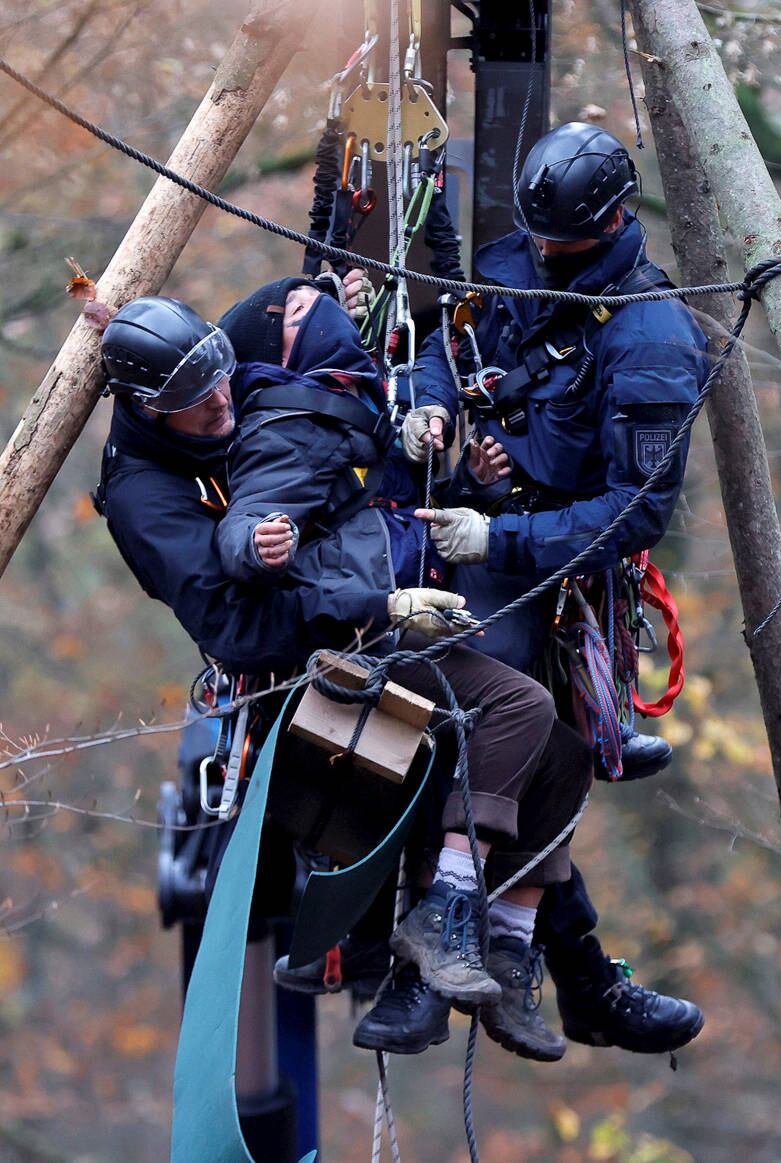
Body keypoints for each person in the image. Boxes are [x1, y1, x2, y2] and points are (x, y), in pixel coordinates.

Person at [97, 290, 594, 1063]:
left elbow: (333, 453)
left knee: (562, 754)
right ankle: (446, 916)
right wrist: (379, 602)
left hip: (364, 606)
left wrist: (434, 456)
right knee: (513, 707)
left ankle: (503, 945)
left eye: (223, 379)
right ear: (150, 409)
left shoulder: (239, 394)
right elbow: (236, 628)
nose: (222, 401)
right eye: (197, 401)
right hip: (311, 659)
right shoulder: (145, 497)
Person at [391, 122, 709, 1054]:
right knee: (465, 720)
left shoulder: (651, 338)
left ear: (611, 218)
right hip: (454, 531)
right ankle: (481, 966)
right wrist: (431, 407)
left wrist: (505, 532)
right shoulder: (512, 257)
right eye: (534, 239)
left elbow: (635, 512)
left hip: (550, 566)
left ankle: (523, 960)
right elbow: (440, 345)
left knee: (528, 738)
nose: (539, 256)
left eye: (557, 245)